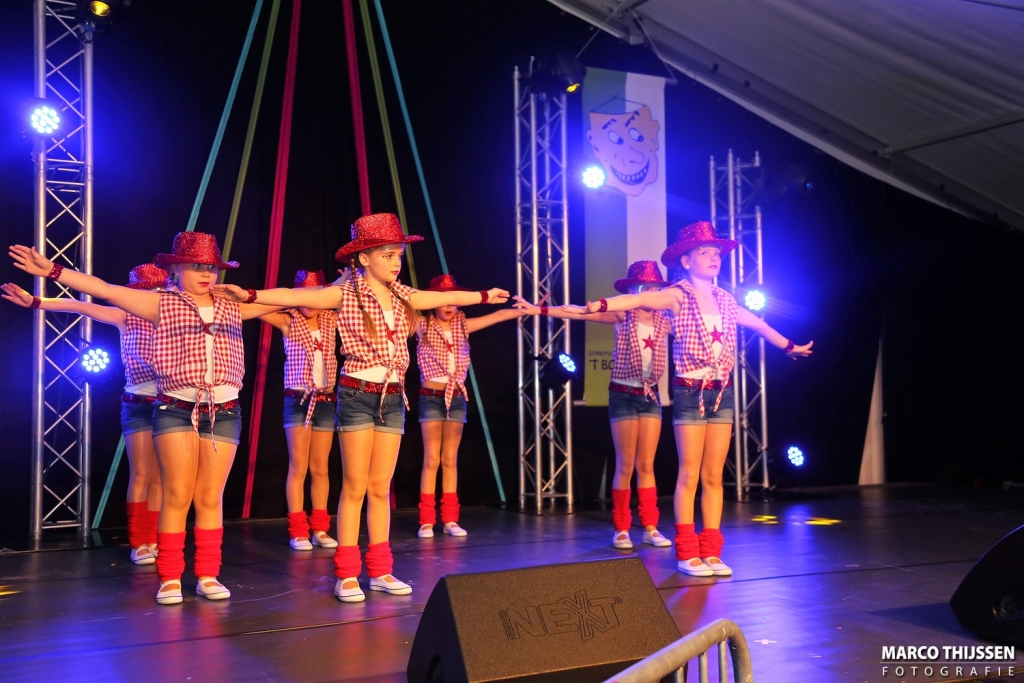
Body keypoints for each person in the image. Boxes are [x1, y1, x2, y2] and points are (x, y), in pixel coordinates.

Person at [211, 213, 510, 602]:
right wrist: (251, 295)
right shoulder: (345, 294)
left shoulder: (402, 295)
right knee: (355, 486)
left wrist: (483, 296)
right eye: (388, 254)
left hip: (393, 397)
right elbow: (296, 296)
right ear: (364, 258)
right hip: (356, 395)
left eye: (398, 254)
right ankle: (348, 574)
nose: (396, 261)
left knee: (380, 487)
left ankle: (381, 570)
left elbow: (439, 298)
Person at [10, 232, 276, 605]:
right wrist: (52, 274)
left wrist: (335, 287)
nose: (206, 274)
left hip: (223, 411)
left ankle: (208, 574)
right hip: (167, 406)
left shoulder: (231, 305)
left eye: (211, 267)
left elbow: (286, 299)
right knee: (170, 490)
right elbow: (96, 294)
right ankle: (167, 573)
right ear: (176, 270)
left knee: (209, 496)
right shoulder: (157, 305)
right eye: (196, 266)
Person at [572, 222, 813, 577]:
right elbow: (638, 299)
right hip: (689, 391)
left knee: (714, 475)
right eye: (705, 252)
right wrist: (601, 304)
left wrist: (789, 346)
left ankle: (711, 551)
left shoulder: (726, 300)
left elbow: (759, 325)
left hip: (722, 392)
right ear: (686, 260)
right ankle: (686, 552)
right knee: (690, 473)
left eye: (717, 253)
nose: (714, 258)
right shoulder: (677, 295)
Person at [2, 263, 168, 566]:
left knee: (158, 477)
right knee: (142, 473)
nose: (153, 297)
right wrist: (36, 302)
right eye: (147, 292)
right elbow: (80, 306)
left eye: (159, 291)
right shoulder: (125, 316)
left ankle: (154, 538)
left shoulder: (174, 317)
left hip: (171, 403)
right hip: (139, 402)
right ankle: (138, 541)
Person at [515, 261, 674, 550]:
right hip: (624, 395)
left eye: (655, 289)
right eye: (644, 288)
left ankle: (650, 526)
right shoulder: (623, 314)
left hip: (651, 397)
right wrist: (539, 310)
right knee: (625, 463)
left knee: (646, 465)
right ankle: (621, 528)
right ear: (633, 291)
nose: (650, 293)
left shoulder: (666, 320)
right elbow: (578, 312)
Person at [415, 274, 524, 539]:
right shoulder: (421, 324)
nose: (448, 305)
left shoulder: (463, 325)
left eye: (453, 300)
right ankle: (426, 520)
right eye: (442, 300)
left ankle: (450, 519)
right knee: (431, 459)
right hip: (431, 396)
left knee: (450, 460)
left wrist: (527, 310)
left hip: (456, 398)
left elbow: (498, 316)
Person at [257, 270, 339, 551]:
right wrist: (288, 300)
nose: (309, 302)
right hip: (298, 400)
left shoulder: (331, 318)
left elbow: (349, 300)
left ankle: (320, 528)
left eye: (314, 295)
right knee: (299, 466)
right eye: (302, 295)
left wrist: (341, 283)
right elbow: (258, 307)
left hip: (326, 400)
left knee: (320, 467)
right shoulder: (288, 320)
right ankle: (298, 531)